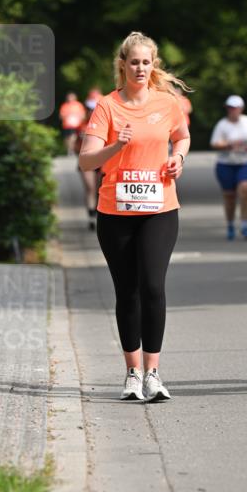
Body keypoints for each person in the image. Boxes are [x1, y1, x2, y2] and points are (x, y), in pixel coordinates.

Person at [79, 32, 190, 402]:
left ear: (152, 65)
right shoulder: (107, 107)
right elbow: (87, 160)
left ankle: (153, 373)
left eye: (146, 62)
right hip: (116, 212)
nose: (140, 68)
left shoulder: (167, 103)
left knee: (153, 286)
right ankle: (132, 372)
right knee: (127, 290)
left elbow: (183, 137)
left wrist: (178, 158)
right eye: (134, 62)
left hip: (160, 209)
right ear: (122, 65)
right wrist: (117, 145)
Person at [210, 95, 247, 240]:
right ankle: (230, 224)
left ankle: (245, 225)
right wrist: (228, 145)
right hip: (226, 164)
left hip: (245, 163)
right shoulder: (222, 124)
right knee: (230, 196)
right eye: (230, 107)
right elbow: (214, 143)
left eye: (236, 107)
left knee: (245, 191)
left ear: (241, 108)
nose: (233, 110)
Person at [77, 87, 103, 229]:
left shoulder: (108, 122)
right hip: (87, 161)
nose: (92, 110)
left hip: (103, 160)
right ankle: (91, 217)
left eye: (95, 107)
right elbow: (75, 148)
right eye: (90, 107)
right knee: (90, 188)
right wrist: (81, 142)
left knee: (100, 189)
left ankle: (100, 214)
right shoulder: (81, 125)